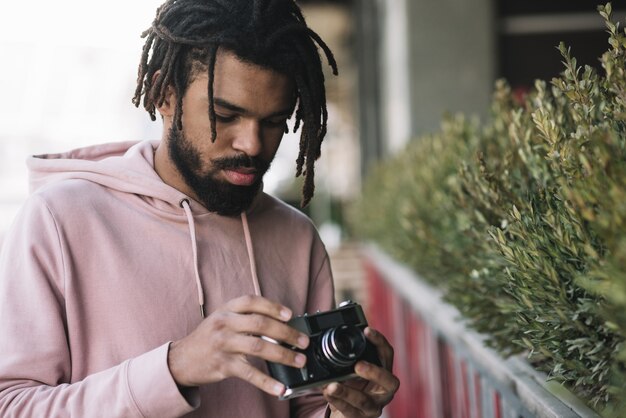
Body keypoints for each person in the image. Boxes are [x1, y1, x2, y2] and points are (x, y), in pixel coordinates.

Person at [0, 0, 399, 417]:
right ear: (164, 94)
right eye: (226, 115)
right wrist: (174, 366)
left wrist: (350, 410)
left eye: (273, 122)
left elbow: (310, 406)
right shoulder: (60, 219)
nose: (252, 145)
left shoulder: (297, 238)